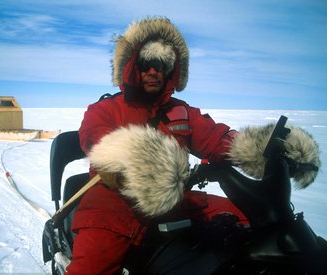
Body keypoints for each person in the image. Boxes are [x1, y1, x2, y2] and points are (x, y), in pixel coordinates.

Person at [66, 17, 248, 274]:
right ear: (131, 67)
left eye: (161, 64)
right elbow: (96, 139)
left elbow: (215, 138)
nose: (153, 71)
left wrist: (259, 149)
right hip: (115, 201)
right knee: (92, 265)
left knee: (248, 219)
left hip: (174, 199)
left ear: (171, 69)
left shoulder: (181, 113)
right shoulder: (105, 110)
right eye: (145, 63)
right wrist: (130, 156)